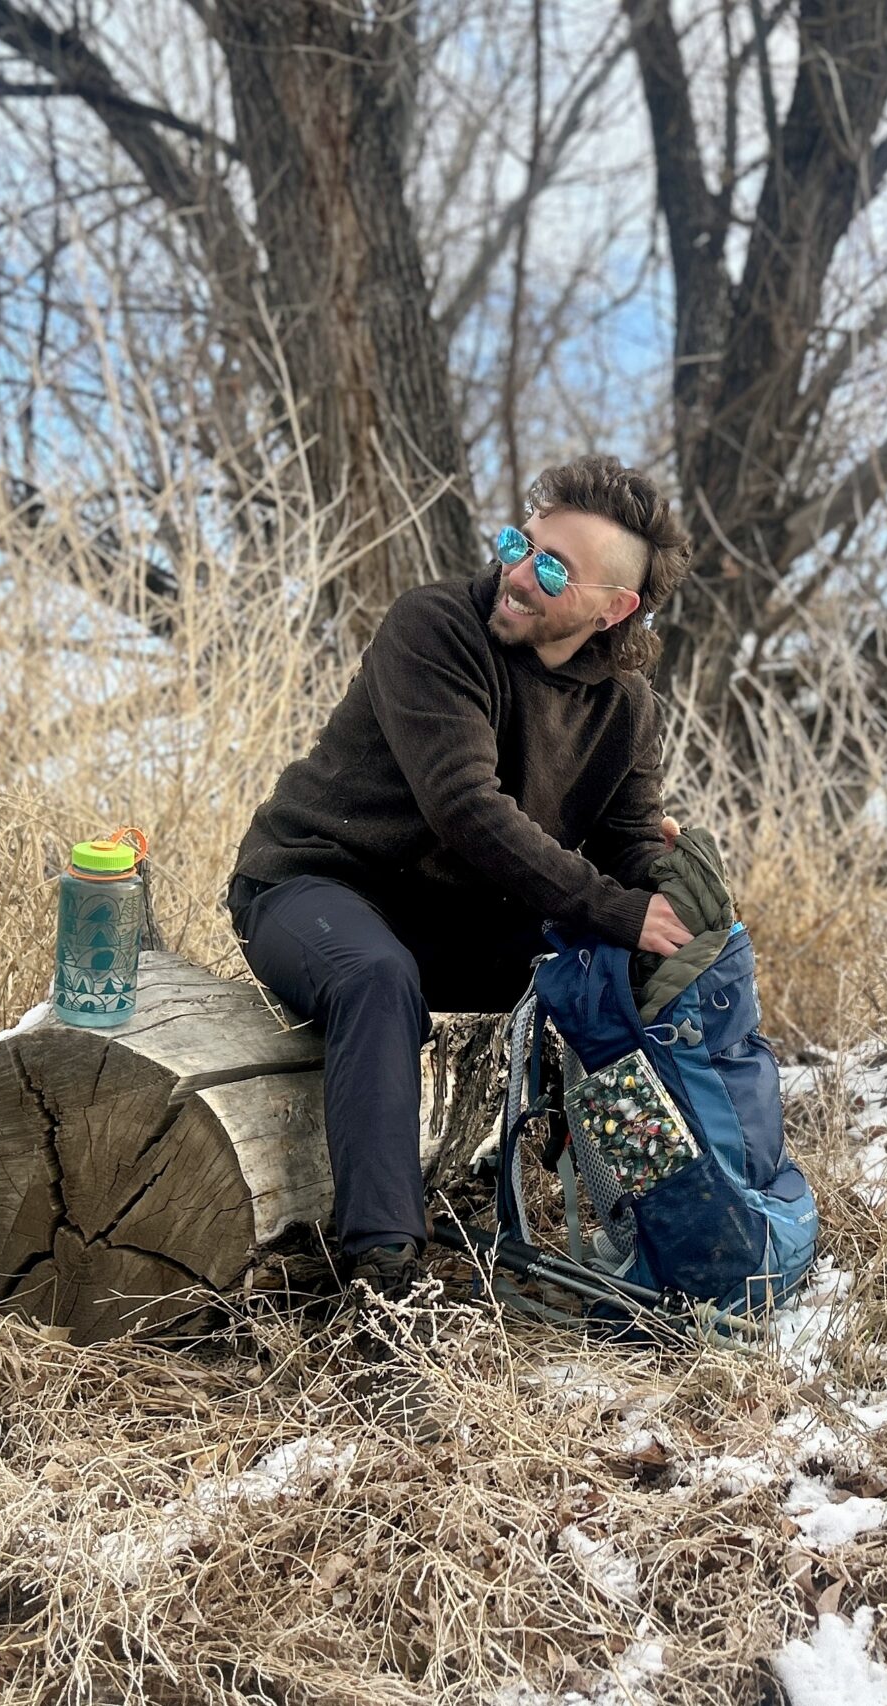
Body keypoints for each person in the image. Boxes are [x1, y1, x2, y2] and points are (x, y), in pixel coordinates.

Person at [227, 455, 694, 1307]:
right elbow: (466, 810)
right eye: (521, 543)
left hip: (461, 920)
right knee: (376, 975)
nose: (517, 574)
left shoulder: (626, 706)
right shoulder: (436, 627)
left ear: (612, 608)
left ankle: (676, 1223)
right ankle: (383, 1277)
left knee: (630, 973)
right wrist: (616, 907)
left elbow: (630, 845)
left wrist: (683, 895)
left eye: (553, 568)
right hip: (317, 888)